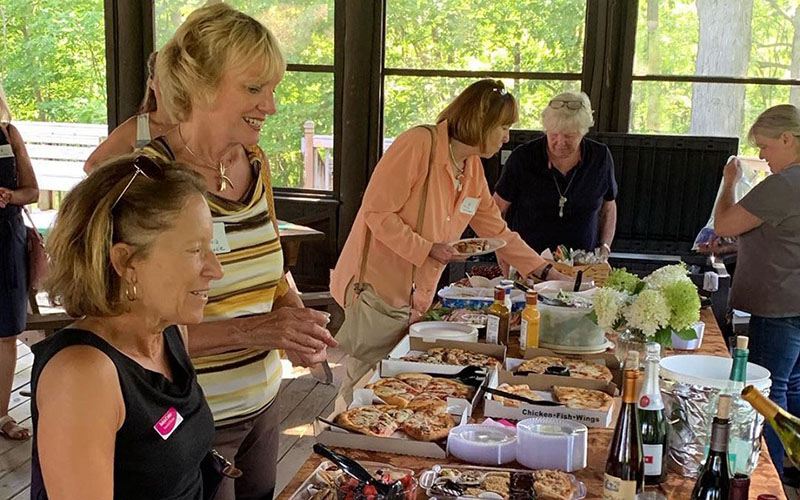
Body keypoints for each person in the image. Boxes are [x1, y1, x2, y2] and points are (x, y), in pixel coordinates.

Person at [141, 4, 337, 499]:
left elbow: (269, 273)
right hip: (193, 422)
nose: (270, 106)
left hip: (264, 405)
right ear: (201, 86)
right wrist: (260, 330)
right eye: (253, 89)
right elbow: (140, 331)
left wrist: (294, 320)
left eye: (273, 89)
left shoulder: (254, 163)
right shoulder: (151, 178)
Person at [330, 79, 570, 391]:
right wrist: (427, 248)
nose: (506, 137)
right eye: (503, 126)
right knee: (364, 382)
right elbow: (376, 213)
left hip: (417, 299)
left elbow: (498, 233)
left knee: (393, 386)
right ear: (480, 122)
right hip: (378, 291)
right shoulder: (419, 144)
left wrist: (546, 271)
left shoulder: (471, 170)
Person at [32, 155, 223, 500]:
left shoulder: (167, 334)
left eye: (211, 247)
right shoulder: (83, 374)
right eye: (195, 250)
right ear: (125, 261)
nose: (215, 269)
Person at [715, 104, 800, 481]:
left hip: (777, 306)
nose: (762, 156)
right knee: (795, 391)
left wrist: (728, 180)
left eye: (765, 146)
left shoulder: (785, 183)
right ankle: (791, 475)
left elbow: (724, 223)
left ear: (788, 138)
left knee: (768, 396)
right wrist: (742, 248)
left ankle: (768, 478)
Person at [493, 91, 618, 256]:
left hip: (583, 264)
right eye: (553, 134)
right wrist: (504, 253)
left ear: (583, 132)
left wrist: (605, 248)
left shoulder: (600, 157)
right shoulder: (523, 157)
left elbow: (609, 207)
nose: (560, 142)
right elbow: (497, 210)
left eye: (569, 136)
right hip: (528, 263)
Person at [0, 83, 38, 441]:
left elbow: (32, 190)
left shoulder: (8, 132)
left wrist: (10, 195)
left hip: (5, 240)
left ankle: (1, 416)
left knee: (7, 333)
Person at [84, 51, 175, 173]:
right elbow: (92, 165)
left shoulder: (193, 125)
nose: (171, 87)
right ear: (152, 83)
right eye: (164, 79)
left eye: (176, 79)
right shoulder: (138, 128)